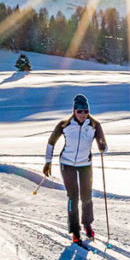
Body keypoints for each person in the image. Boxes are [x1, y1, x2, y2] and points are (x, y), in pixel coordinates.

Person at [43, 93, 108, 243]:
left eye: (86, 111)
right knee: (73, 196)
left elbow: (103, 146)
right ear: (74, 111)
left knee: (87, 196)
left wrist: (103, 146)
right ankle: (75, 230)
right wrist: (48, 162)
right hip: (67, 164)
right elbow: (51, 142)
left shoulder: (94, 125)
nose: (83, 114)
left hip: (85, 164)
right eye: (79, 111)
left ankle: (87, 225)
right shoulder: (64, 125)